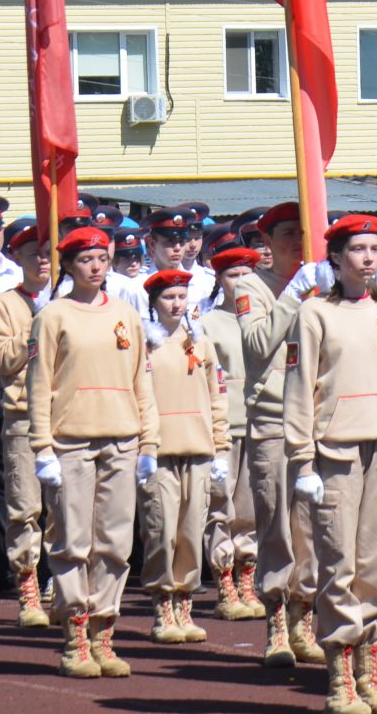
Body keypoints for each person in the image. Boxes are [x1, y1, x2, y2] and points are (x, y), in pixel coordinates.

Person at [284, 214, 377, 714]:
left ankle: (371, 672)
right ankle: (341, 677)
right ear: (336, 259)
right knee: (338, 563)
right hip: (336, 453)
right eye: (358, 249)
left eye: (373, 248)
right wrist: (302, 461)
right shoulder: (315, 314)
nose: (369, 257)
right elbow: (299, 391)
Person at [31, 225, 159, 679]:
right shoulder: (53, 315)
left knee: (116, 543)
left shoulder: (126, 312)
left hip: (122, 437)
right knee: (72, 542)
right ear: (67, 265)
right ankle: (75, 636)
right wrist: (42, 446)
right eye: (85, 259)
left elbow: (142, 379)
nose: (96, 267)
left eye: (102, 258)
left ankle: (104, 633)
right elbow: (40, 383)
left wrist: (149, 440)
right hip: (71, 440)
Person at [242, 200, 324, 667]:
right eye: (287, 233)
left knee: (311, 526)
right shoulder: (251, 286)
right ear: (268, 241)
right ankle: (275, 618)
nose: (296, 241)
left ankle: (303, 616)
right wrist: (295, 291)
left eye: (302, 232)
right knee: (275, 523)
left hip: (314, 418)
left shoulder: (322, 289)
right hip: (273, 418)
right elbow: (257, 343)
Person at [137, 268, 227, 648]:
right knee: (161, 530)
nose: (176, 304)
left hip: (199, 449)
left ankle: (185, 603)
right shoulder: (145, 345)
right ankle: (163, 605)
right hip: (159, 451)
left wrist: (220, 446)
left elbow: (217, 397)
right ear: (155, 304)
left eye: (181, 296)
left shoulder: (201, 344)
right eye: (168, 298)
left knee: (191, 531)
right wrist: (143, 446)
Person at [0, 219, 53, 628]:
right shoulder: (3, 303)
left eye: (48, 253)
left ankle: (61, 584)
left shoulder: (70, 300)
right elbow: (5, 359)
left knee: (66, 511)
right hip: (23, 414)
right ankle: (28, 586)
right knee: (25, 507)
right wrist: (38, 327)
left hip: (66, 415)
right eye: (34, 254)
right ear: (17, 258)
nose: (43, 261)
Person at [202, 237, 267, 622]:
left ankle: (247, 578)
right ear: (219, 279)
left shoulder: (265, 318)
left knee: (251, 508)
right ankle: (224, 580)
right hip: (225, 425)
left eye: (247, 274)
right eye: (232, 275)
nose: (240, 281)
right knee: (220, 505)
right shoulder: (208, 323)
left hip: (259, 421)